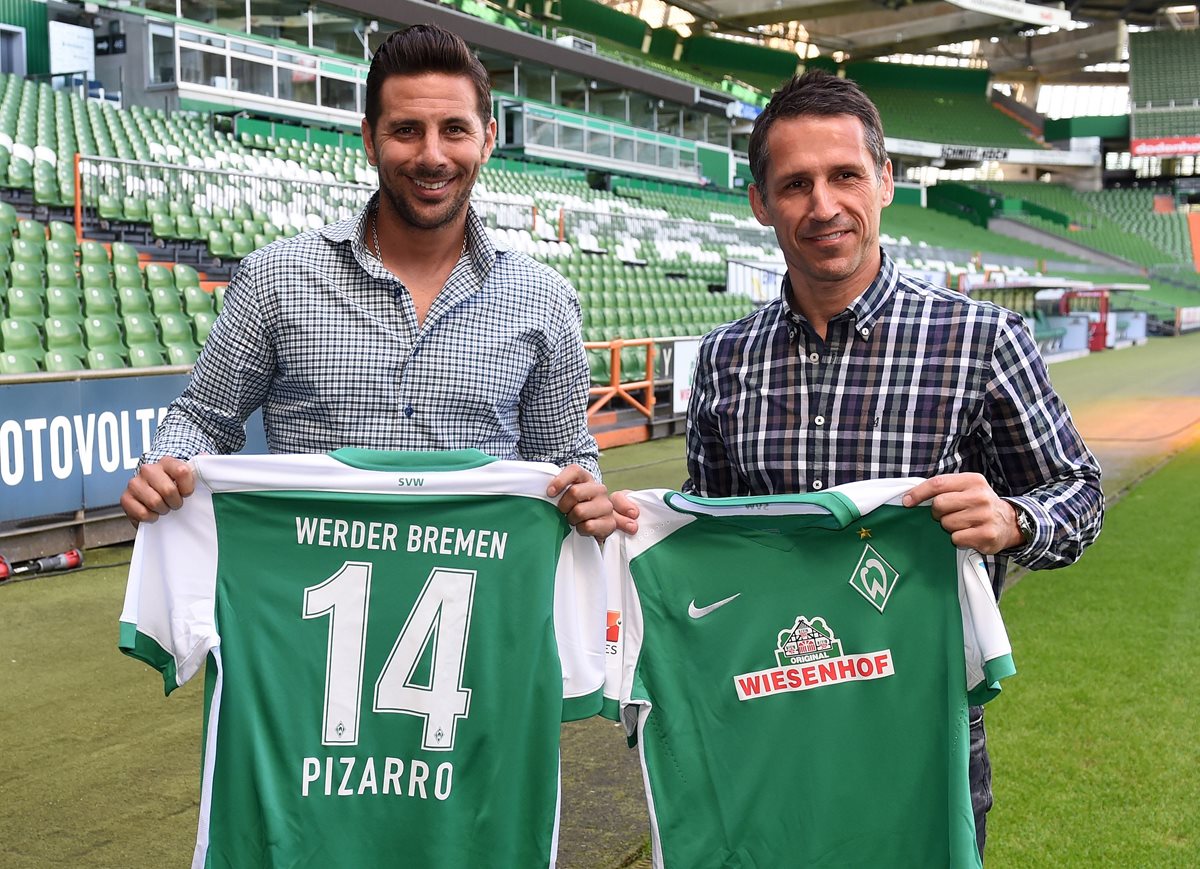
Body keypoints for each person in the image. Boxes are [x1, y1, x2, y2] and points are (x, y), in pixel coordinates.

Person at [612, 69, 1103, 860]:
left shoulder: (982, 341)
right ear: (761, 204)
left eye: (844, 175)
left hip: (919, 723)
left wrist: (1016, 520)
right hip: (764, 720)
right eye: (795, 184)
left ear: (884, 181)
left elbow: (1079, 493)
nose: (824, 205)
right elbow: (713, 542)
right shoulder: (726, 359)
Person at [121, 24, 615, 539]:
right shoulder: (276, 276)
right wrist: (164, 464)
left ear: (487, 139)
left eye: (454, 129)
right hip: (309, 599)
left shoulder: (545, 298)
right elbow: (204, 418)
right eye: (406, 130)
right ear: (368, 139)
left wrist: (588, 494)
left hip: (478, 606)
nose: (432, 156)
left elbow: (565, 459)